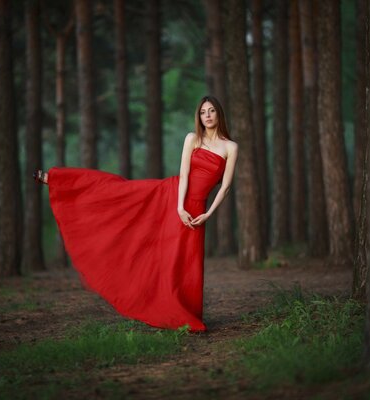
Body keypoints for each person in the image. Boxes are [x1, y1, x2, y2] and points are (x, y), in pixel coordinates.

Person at [34, 95, 238, 331]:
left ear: (218, 114)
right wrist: (180, 207)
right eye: (203, 112)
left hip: (199, 209)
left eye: (211, 111)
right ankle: (59, 181)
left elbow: (226, 186)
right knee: (120, 193)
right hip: (172, 196)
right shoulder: (193, 138)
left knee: (185, 260)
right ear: (199, 117)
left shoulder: (230, 147)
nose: (208, 116)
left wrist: (208, 213)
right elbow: (184, 175)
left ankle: (184, 313)